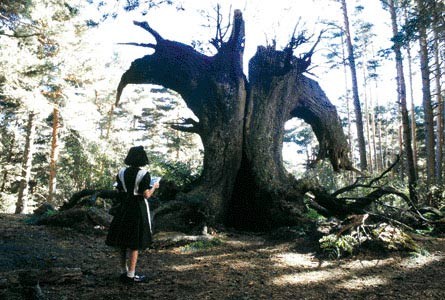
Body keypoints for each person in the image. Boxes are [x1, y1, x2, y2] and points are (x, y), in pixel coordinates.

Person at [106, 146, 160, 283]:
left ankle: (123, 271)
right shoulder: (144, 174)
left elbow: (119, 190)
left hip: (124, 208)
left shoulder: (121, 172)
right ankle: (131, 274)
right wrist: (154, 186)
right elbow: (146, 195)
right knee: (134, 241)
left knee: (123, 240)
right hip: (137, 209)